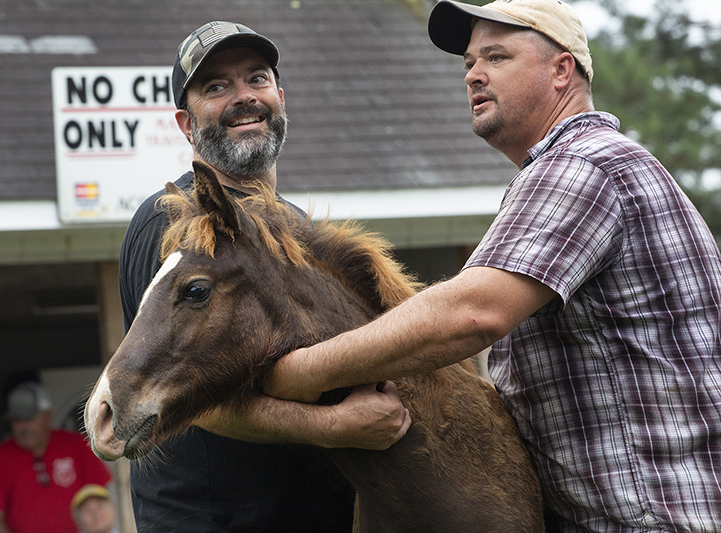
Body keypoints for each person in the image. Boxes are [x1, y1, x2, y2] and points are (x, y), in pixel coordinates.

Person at [257, 0, 721, 531]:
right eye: (468, 64)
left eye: (496, 58)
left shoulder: (583, 164)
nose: (474, 75)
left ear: (561, 71)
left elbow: (471, 315)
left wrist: (296, 374)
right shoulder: (581, 167)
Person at [119, 20, 357, 533]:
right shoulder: (175, 223)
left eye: (257, 79)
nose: (243, 97)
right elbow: (174, 391)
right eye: (216, 87)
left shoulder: (300, 229)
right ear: (186, 123)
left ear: (281, 98)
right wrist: (336, 426)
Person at [0, 382, 112, 533]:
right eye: (16, 420)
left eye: (28, 418)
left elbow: (102, 507)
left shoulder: (76, 445)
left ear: (47, 417)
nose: (23, 427)